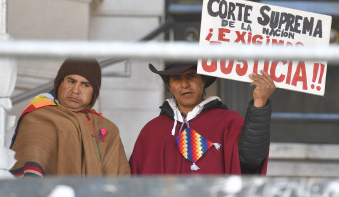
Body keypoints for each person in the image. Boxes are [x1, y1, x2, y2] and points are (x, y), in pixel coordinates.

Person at [129, 62, 275, 174]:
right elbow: (133, 185)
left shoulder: (228, 122)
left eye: (191, 76)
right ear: (168, 85)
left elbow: (251, 160)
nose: (185, 84)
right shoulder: (152, 131)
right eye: (176, 78)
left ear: (203, 80)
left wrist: (260, 104)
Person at [10, 58, 130, 177]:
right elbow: (30, 176)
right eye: (71, 81)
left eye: (85, 85)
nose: (75, 90)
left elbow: (122, 183)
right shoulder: (38, 117)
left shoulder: (108, 129)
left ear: (93, 92)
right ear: (59, 83)